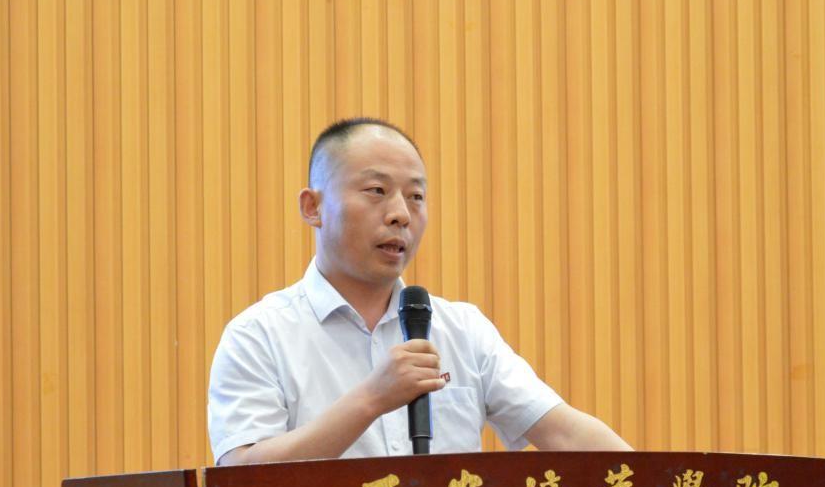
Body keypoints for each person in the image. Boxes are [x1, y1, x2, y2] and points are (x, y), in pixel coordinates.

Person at [208, 118, 630, 465]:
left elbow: (564, 432)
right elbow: (241, 476)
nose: (401, 214)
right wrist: (371, 399)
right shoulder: (259, 334)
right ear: (312, 207)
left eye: (416, 197)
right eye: (377, 191)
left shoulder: (462, 329)